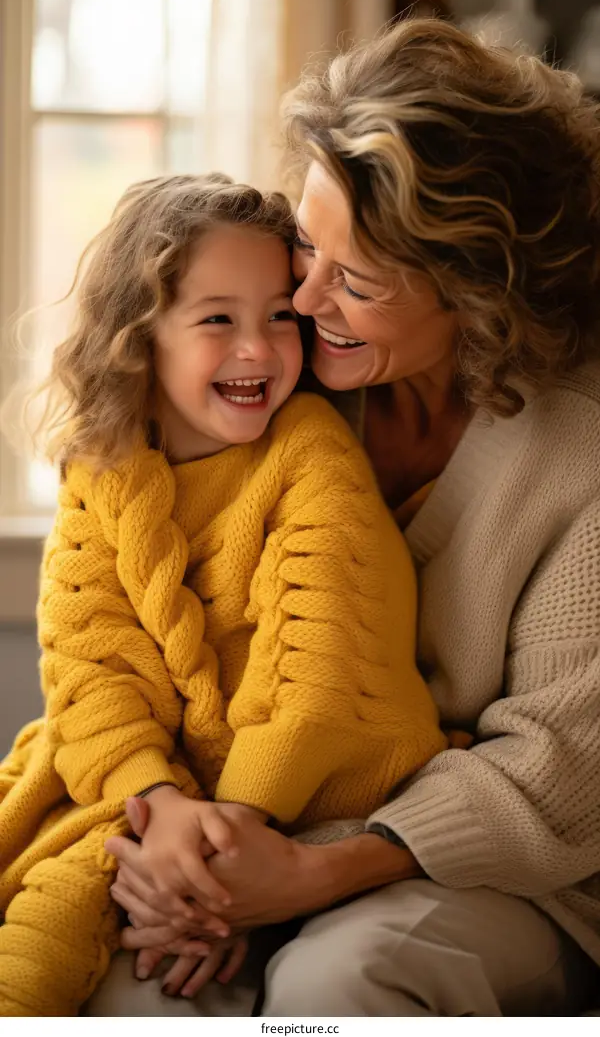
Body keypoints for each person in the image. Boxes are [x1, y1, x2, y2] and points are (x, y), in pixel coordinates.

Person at [92, 18, 600, 1017]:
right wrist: (173, 828)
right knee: (122, 977)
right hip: (252, 824)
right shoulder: (270, 377)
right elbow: (129, 609)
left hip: (507, 869)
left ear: (479, 295)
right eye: (307, 244)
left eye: (355, 281)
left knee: (340, 980)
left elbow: (556, 769)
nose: (301, 295)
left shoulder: (577, 457)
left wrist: (300, 873)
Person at [0, 173, 445, 1017]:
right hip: (147, 794)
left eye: (281, 315)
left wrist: (221, 852)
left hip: (297, 798)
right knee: (39, 939)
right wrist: (158, 803)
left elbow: (320, 675)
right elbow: (90, 664)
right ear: (141, 336)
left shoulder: (310, 455)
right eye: (217, 320)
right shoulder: (103, 469)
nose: (258, 348)